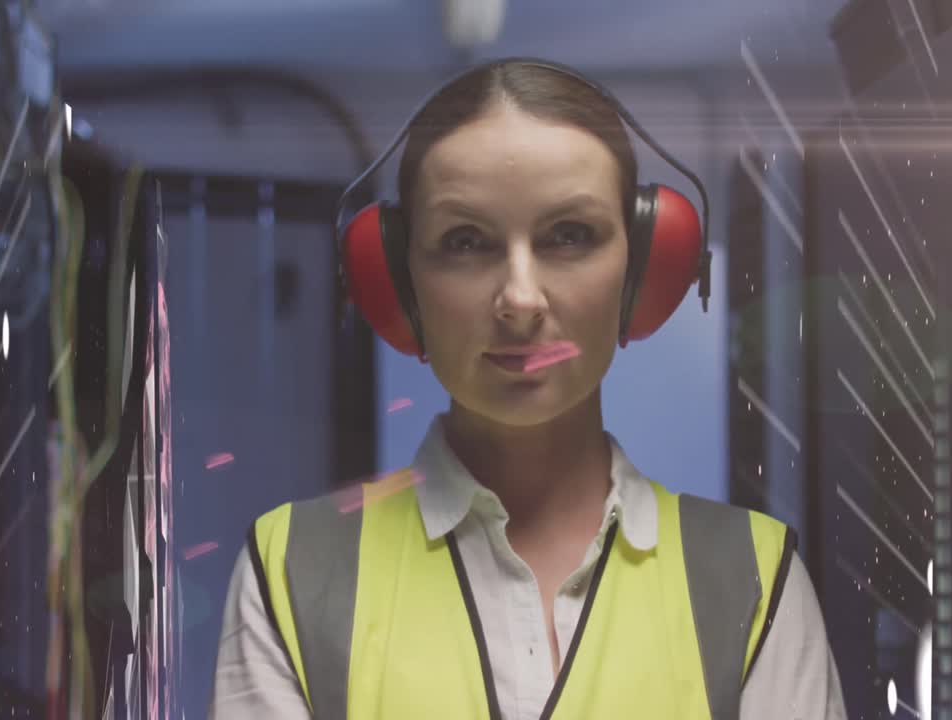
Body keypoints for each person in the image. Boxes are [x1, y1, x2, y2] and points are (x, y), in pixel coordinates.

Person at [209, 58, 845, 719]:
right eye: (465, 241)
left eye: (570, 235)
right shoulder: (290, 571)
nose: (519, 299)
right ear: (400, 286)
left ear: (642, 271)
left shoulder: (756, 581)